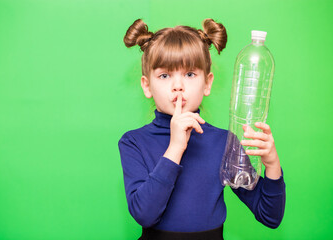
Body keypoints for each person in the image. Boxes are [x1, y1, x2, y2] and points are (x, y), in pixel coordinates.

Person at [118, 18, 285, 240]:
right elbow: (144, 214)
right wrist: (176, 147)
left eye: (189, 74)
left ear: (207, 83)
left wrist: (272, 165)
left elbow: (270, 216)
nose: (178, 85)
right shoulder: (134, 142)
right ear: (147, 86)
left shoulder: (224, 143)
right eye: (165, 75)